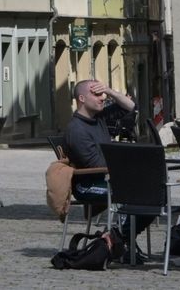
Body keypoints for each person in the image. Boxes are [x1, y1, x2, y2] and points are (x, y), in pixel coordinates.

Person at [62, 78, 152, 262]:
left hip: (107, 178)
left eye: (102, 94)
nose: (102, 98)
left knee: (154, 192)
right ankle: (120, 241)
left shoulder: (99, 117)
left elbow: (130, 107)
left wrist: (110, 91)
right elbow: (96, 165)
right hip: (88, 184)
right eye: (96, 94)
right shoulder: (76, 130)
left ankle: (119, 239)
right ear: (81, 98)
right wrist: (127, 167)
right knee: (144, 193)